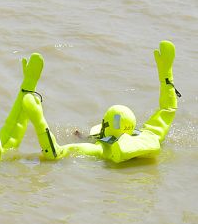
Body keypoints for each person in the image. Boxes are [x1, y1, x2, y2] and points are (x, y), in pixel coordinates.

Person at [20, 41, 179, 163]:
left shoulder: (100, 149)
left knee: (81, 137)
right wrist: (166, 74)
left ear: (105, 125)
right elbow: (168, 109)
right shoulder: (149, 137)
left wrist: (38, 119)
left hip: (101, 145)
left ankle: (83, 134)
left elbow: (56, 153)